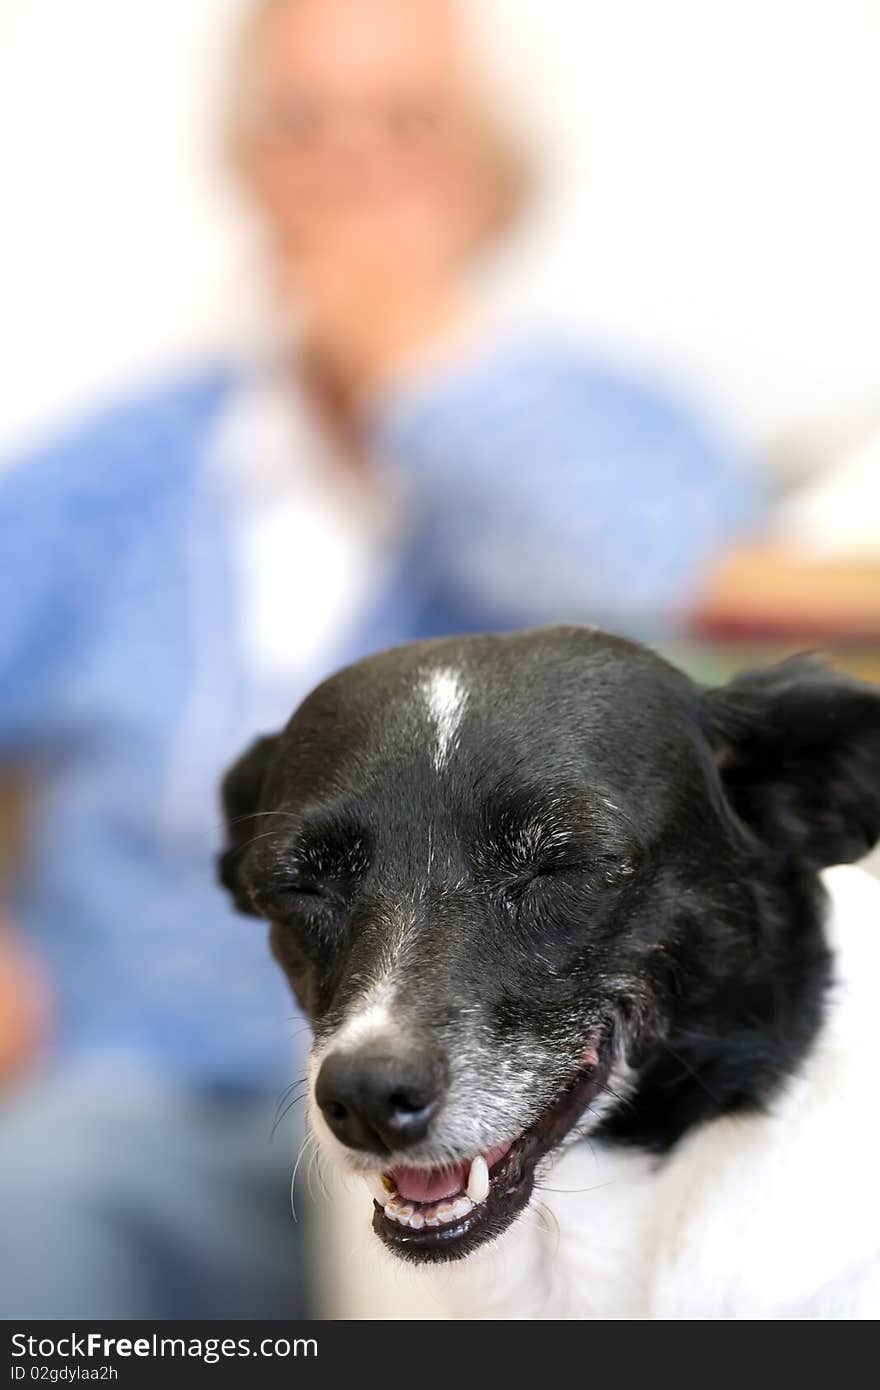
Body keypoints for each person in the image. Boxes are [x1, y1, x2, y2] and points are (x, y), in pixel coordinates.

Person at [2, 0, 875, 1320]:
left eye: (408, 124)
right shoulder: (108, 477)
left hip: (530, 1118)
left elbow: (695, 610)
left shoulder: (611, 433)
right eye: (304, 122)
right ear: (246, 167)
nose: (353, 164)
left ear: (494, 179)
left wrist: (425, 378)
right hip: (137, 1094)